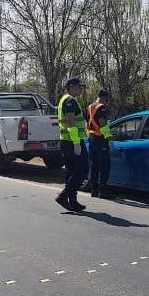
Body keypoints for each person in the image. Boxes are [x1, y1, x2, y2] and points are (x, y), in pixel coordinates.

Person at [56, 77, 89, 212]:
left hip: (67, 141)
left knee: (71, 171)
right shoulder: (70, 101)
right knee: (82, 170)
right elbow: (70, 123)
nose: (81, 89)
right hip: (72, 141)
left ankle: (73, 201)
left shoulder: (66, 99)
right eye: (79, 87)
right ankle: (63, 196)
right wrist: (77, 143)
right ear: (71, 86)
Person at [87, 89, 113, 199]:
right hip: (100, 139)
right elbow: (103, 124)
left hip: (91, 137)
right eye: (107, 98)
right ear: (104, 97)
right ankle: (103, 191)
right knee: (105, 165)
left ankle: (93, 190)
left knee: (94, 164)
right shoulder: (101, 107)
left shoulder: (89, 107)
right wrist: (108, 138)